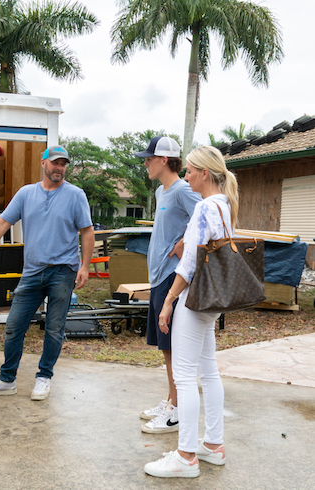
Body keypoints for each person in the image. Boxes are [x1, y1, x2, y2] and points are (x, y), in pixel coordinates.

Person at [0, 145, 94, 401]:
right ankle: (6, 379)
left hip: (63, 271)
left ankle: (44, 377)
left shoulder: (75, 195)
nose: (59, 168)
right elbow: (2, 222)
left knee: (54, 328)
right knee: (14, 326)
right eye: (55, 163)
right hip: (32, 272)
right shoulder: (26, 194)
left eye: (63, 164)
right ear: (43, 163)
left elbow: (87, 231)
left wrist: (85, 266)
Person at [144, 146, 238, 478]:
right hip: (212, 301)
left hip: (193, 300)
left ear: (204, 174)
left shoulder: (204, 209)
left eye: (190, 171)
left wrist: (169, 300)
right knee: (208, 371)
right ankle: (213, 445)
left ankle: (185, 457)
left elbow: (190, 262)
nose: (186, 176)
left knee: (184, 376)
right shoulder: (225, 206)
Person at [135, 136, 201, 434]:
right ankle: (170, 400)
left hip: (172, 277)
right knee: (165, 348)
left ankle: (175, 412)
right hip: (159, 275)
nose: (145, 163)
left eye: (149, 158)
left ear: (163, 160)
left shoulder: (182, 190)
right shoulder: (163, 192)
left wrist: (185, 242)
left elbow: (206, 217)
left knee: (172, 348)